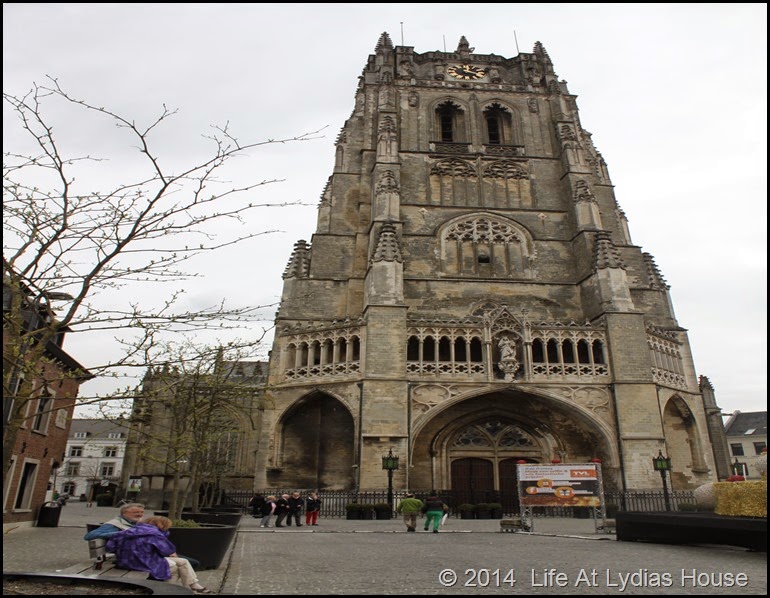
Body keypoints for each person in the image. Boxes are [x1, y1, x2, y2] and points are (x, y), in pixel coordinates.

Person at [106, 516, 211, 594]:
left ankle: (193, 585)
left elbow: (110, 547)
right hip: (143, 563)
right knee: (174, 568)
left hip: (125, 561)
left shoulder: (127, 531)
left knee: (183, 562)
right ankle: (166, 590)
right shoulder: (155, 534)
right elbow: (167, 551)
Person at [84, 502, 200, 569]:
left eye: (141, 513)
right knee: (190, 563)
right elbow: (90, 535)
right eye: (136, 513)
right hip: (132, 556)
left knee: (192, 562)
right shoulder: (115, 524)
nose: (140, 515)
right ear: (124, 513)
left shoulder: (137, 524)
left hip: (148, 553)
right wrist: (124, 533)